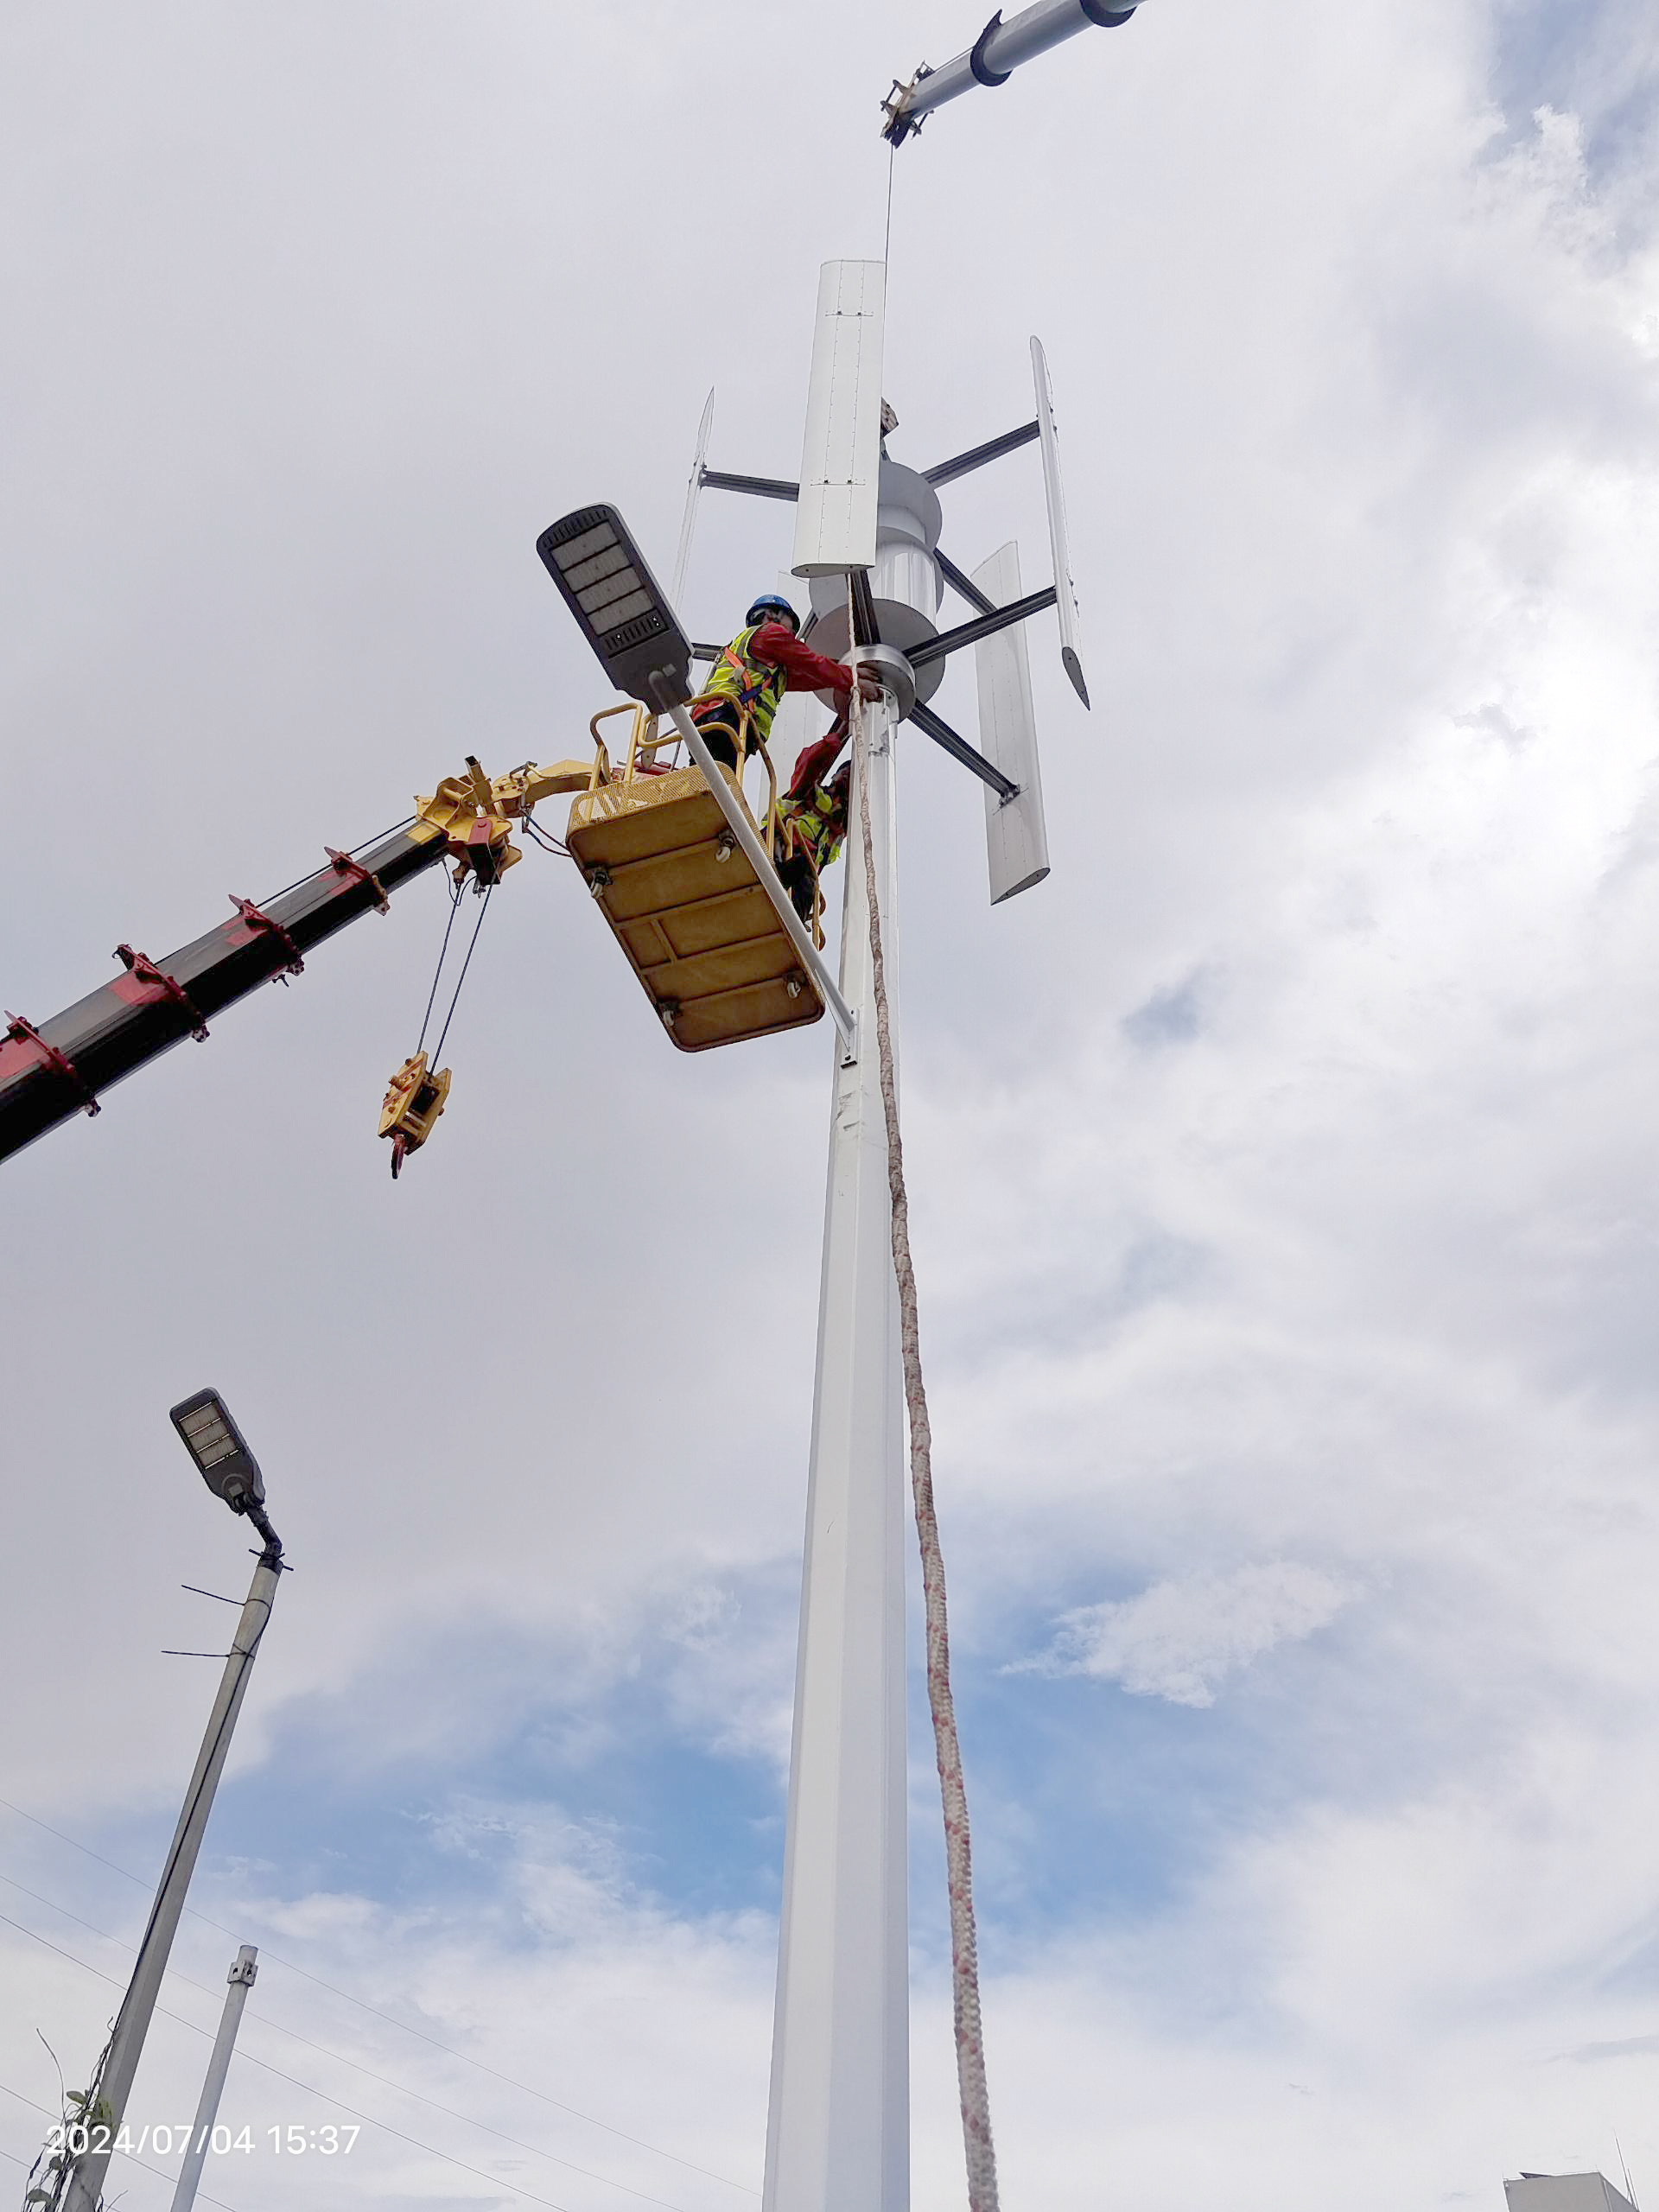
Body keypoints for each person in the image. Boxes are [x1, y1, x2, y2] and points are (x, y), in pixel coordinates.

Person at [690, 594, 879, 772]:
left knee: (705, 778)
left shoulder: (764, 665)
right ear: (772, 616)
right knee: (716, 780)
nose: (793, 633)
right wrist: (853, 677)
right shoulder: (770, 633)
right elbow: (811, 663)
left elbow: (813, 675)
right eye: (791, 625)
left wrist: (847, 673)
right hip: (728, 717)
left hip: (717, 719)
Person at [774, 710, 855, 926]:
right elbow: (809, 763)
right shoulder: (808, 792)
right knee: (801, 869)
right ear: (835, 775)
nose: (849, 775)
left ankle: (792, 929)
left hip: (800, 875)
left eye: (854, 774)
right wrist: (839, 735)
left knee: (807, 884)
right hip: (773, 849)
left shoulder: (843, 826)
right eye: (846, 770)